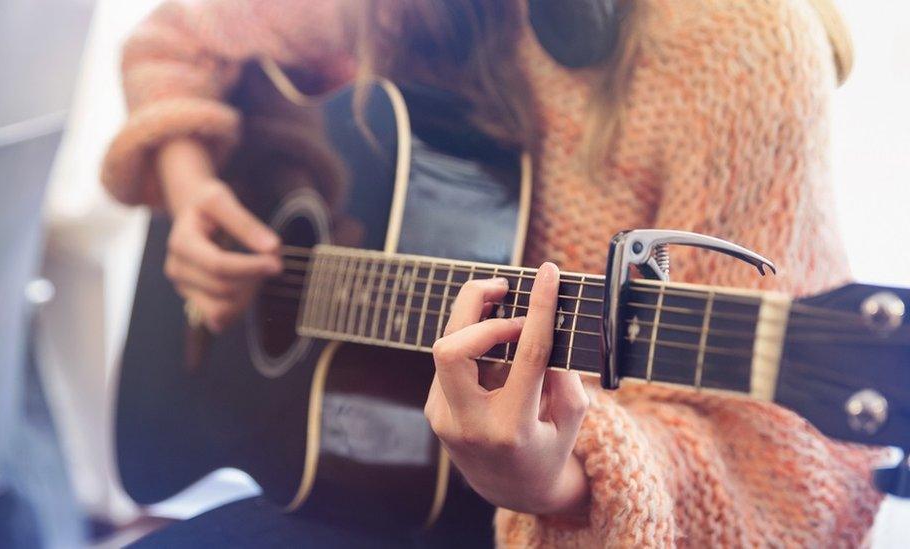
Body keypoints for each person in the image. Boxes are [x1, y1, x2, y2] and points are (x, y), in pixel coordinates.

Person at [102, 0, 883, 545]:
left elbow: (788, 475)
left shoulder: (741, 42)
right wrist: (191, 186)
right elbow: (176, 40)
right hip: (375, 482)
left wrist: (559, 482)